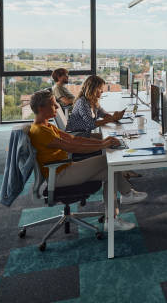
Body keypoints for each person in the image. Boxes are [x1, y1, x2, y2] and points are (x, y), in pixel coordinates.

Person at [27, 89, 147, 231]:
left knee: (110, 172)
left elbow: (74, 139)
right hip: (59, 175)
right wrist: (103, 145)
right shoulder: (40, 131)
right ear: (41, 108)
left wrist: (103, 141)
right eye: (53, 104)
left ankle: (113, 219)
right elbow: (73, 147)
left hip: (65, 168)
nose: (57, 107)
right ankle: (127, 194)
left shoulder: (47, 126)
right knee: (107, 162)